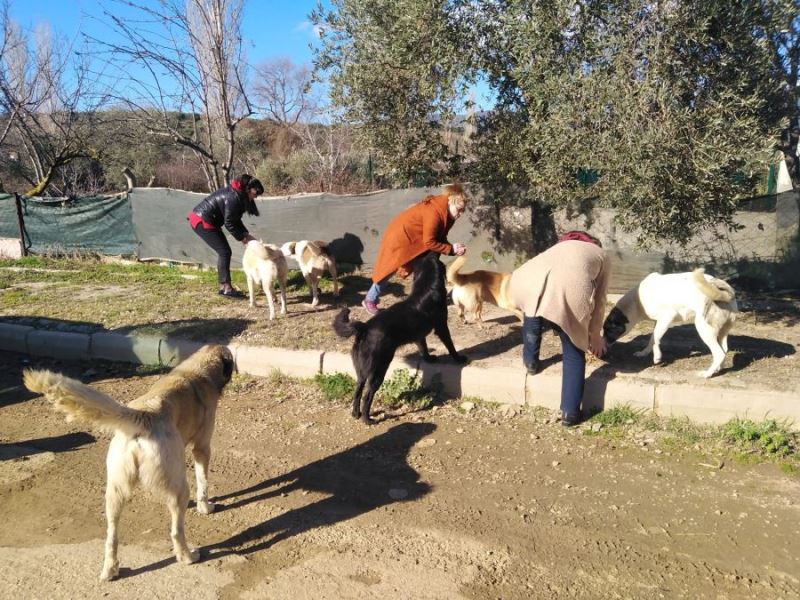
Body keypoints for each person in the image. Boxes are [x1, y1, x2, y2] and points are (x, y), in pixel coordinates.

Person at [509, 231, 610, 426]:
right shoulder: (601, 254)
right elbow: (600, 300)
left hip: (522, 282)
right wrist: (595, 336)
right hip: (566, 287)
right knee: (573, 349)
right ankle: (570, 413)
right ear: (595, 244)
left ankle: (531, 363)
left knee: (534, 308)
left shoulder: (558, 247)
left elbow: (547, 282)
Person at [363, 183, 468, 315]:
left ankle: (420, 298)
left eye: (462, 210)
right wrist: (451, 249)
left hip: (414, 238)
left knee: (423, 264)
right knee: (389, 268)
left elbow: (439, 237)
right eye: (459, 209)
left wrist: (453, 248)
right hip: (399, 237)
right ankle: (370, 299)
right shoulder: (435, 212)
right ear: (450, 202)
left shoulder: (446, 213)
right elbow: (430, 241)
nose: (460, 214)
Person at [188, 174, 264, 298]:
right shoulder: (234, 197)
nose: (255, 197)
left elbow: (235, 219)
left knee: (225, 251)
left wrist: (245, 234)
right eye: (255, 194)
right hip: (202, 220)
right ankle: (226, 289)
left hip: (207, 219)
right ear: (248, 189)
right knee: (224, 252)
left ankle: (224, 287)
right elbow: (229, 223)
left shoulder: (238, 194)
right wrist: (243, 238)